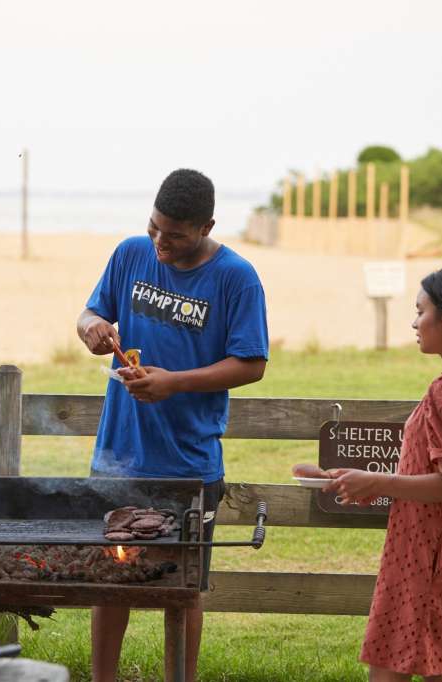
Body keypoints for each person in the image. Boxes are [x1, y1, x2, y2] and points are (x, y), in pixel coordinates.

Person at [76, 168, 269, 682]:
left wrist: (174, 382)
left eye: (175, 235)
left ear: (206, 226)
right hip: (118, 457)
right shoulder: (130, 253)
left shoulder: (236, 277)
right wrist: (91, 327)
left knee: (181, 591)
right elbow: (90, 311)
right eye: (154, 227)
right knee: (110, 583)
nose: (160, 242)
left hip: (189, 465)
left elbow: (252, 364)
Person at [303, 265, 442, 682]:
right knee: (424, 666)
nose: (414, 322)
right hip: (437, 547)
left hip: (437, 554)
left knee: (406, 671)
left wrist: (378, 482)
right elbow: (434, 468)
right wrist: (362, 479)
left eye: (420, 311)